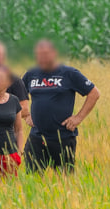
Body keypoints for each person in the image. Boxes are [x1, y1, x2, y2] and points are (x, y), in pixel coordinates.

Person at [22, 40, 101, 173]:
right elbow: (18, 94)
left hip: (62, 137)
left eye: (45, 54)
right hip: (36, 137)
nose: (42, 58)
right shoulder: (31, 74)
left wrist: (78, 118)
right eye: (39, 55)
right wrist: (26, 115)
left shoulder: (69, 73)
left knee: (64, 181)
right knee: (32, 180)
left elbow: (94, 93)